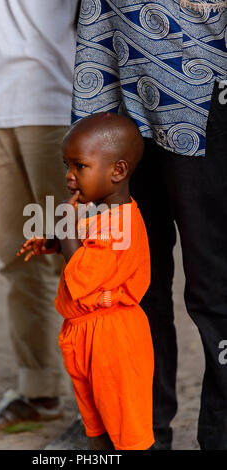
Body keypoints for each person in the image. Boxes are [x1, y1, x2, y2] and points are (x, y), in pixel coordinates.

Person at [72, 0, 227, 450]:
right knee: (134, 291)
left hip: (207, 109)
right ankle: (139, 437)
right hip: (119, 113)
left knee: (216, 290)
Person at [0, 0, 79, 433]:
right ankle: (39, 392)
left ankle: (103, 411)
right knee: (21, 260)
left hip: (53, 112)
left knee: (77, 264)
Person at [19, 112, 155, 450]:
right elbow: (88, 248)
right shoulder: (103, 215)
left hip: (112, 338)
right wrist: (54, 241)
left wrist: (65, 225)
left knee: (126, 429)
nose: (69, 177)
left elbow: (81, 274)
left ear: (117, 171)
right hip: (82, 331)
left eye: (80, 166)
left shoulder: (122, 225)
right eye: (67, 165)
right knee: (95, 423)